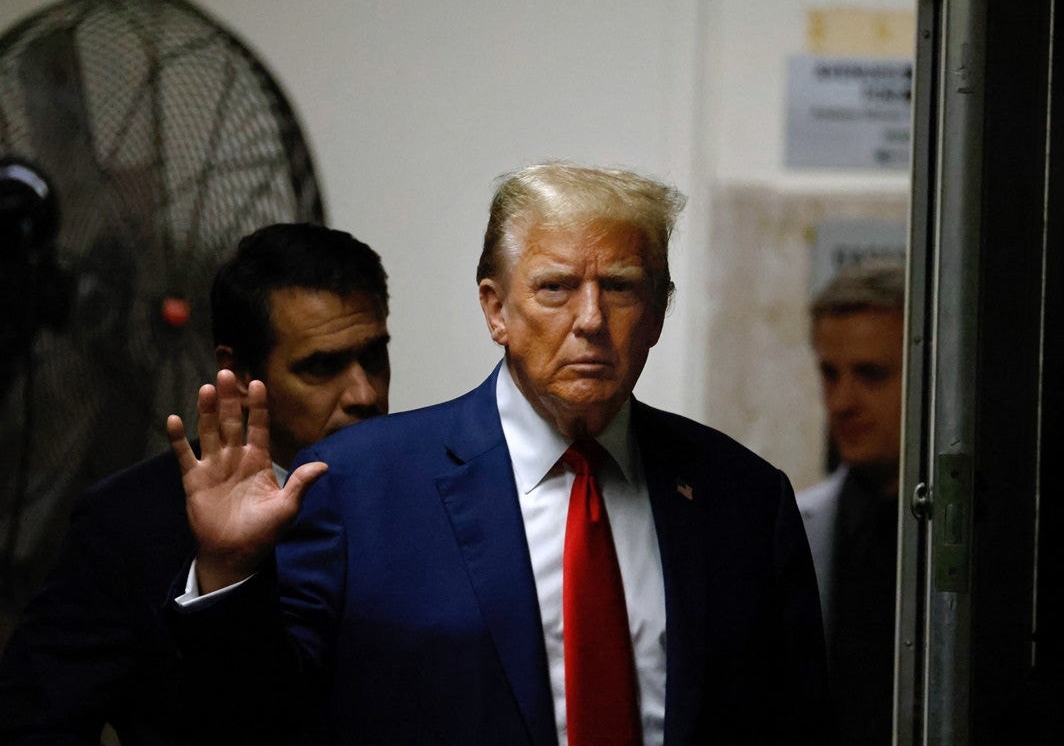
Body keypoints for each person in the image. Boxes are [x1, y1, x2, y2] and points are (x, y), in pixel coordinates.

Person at [168, 162, 831, 745]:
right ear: (496, 311)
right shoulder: (359, 485)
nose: (591, 318)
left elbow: (794, 722)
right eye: (555, 288)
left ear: (658, 313)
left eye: (622, 287)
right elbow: (257, 718)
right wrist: (228, 571)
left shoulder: (743, 497)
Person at [0, 223, 391, 745]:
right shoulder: (127, 524)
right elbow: (33, 725)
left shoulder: (425, 486)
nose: (364, 393)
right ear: (238, 372)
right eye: (322, 367)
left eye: (374, 355)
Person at [796, 259, 905, 746]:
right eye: (830, 374)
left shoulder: (967, 530)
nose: (842, 401)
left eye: (871, 374)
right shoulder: (795, 526)